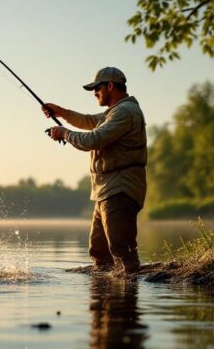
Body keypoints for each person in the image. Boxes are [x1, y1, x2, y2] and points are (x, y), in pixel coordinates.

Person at [43, 66, 147, 275]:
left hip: (120, 189)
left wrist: (64, 133)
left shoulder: (125, 112)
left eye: (96, 88)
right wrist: (61, 112)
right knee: (99, 252)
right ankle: (102, 302)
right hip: (106, 191)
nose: (94, 93)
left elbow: (94, 139)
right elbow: (89, 121)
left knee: (121, 249)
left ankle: (128, 299)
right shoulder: (115, 111)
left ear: (110, 86)